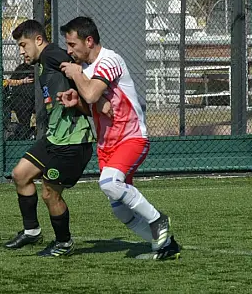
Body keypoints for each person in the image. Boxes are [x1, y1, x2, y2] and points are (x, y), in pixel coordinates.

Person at [57, 16, 181, 260]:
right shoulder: (87, 71)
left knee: (110, 183)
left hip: (131, 137)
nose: (69, 50)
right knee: (120, 210)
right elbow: (91, 102)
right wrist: (75, 101)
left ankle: (158, 219)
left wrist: (76, 75)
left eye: (72, 44)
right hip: (107, 145)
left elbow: (92, 93)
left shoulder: (109, 60)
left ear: (89, 41)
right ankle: (165, 246)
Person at [4, 19, 95, 257]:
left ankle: (64, 243)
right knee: (20, 174)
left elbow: (78, 67)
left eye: (24, 45)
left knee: (49, 193)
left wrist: (81, 87)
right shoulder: (45, 61)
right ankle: (32, 231)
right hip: (54, 138)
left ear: (38, 40)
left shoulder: (52, 53)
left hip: (73, 141)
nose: (22, 51)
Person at [4, 62, 35, 140]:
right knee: (18, 104)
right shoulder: (21, 67)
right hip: (19, 98)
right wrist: (23, 81)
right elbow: (10, 81)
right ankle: (10, 129)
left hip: (32, 98)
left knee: (25, 106)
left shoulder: (39, 68)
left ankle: (27, 133)